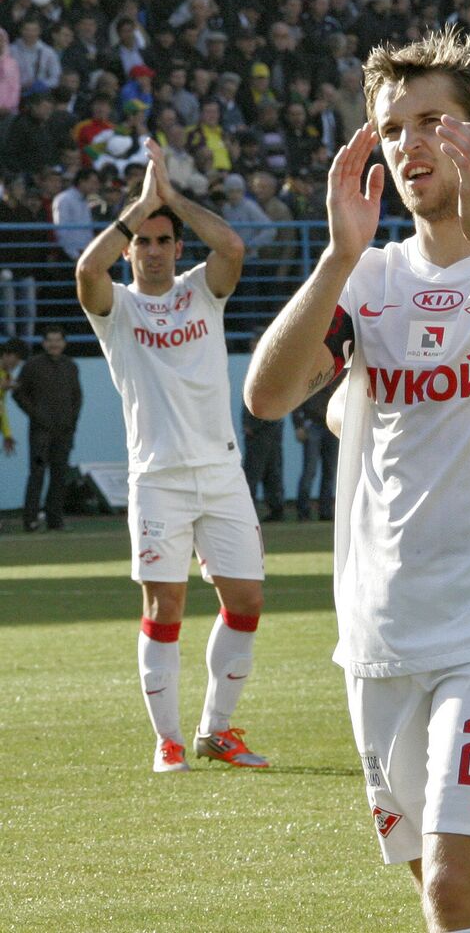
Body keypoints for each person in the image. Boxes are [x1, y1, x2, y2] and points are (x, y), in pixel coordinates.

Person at [242, 29, 470, 933]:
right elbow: (267, 395)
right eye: (391, 127)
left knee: (456, 883)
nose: (409, 144)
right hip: (380, 626)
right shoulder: (366, 281)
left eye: (432, 122)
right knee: (436, 892)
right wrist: (337, 257)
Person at [75, 137, 270, 774]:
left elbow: (234, 247)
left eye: (163, 241)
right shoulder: (118, 310)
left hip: (220, 470)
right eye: (143, 243)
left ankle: (217, 731)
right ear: (129, 250)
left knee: (245, 600)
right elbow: (85, 273)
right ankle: (169, 742)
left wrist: (170, 199)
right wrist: (138, 207)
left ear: (177, 248)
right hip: (159, 478)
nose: (154, 251)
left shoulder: (201, 292)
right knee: (165, 609)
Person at [13, 325, 81, 531]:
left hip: (64, 433)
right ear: (43, 343)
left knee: (59, 474)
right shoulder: (32, 365)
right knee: (37, 473)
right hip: (40, 433)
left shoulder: (71, 366)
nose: (54, 344)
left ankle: (55, 520)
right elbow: (18, 393)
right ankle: (30, 520)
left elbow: (77, 397)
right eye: (50, 340)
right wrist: (36, 416)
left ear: (64, 343)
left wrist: (72, 423)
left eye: (57, 340)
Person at [241, 329, 285, 522]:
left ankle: (251, 510)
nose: (251, 346)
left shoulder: (265, 365)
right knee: (270, 470)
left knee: (255, 471)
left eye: (254, 343)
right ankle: (275, 509)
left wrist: (252, 424)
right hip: (269, 427)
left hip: (263, 429)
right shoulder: (270, 364)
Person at [292, 380, 340, 521]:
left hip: (332, 425)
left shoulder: (339, 371)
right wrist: (298, 425)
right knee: (310, 471)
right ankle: (303, 511)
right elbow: (296, 398)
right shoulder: (312, 369)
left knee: (329, 471)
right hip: (312, 424)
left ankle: (325, 512)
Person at [0, 336, 24, 457]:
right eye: (16, 358)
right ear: (5, 354)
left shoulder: (6, 376)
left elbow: (1, 408)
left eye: (20, 360)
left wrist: (7, 434)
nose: (17, 363)